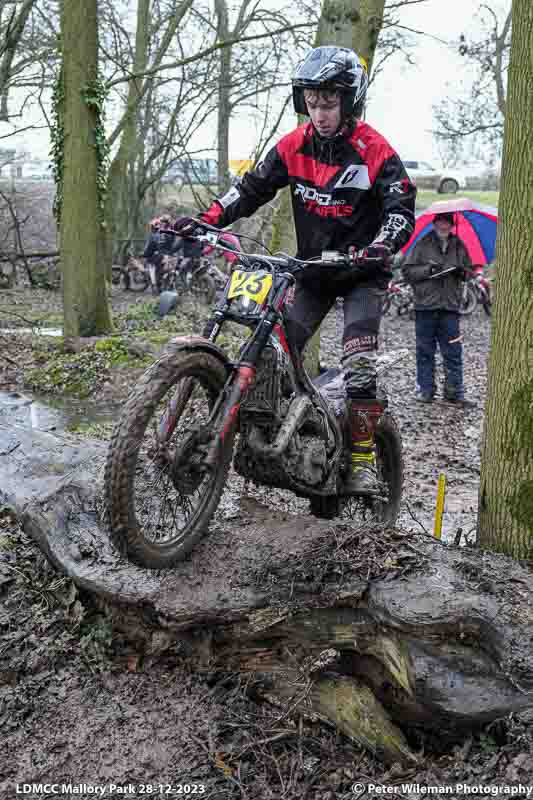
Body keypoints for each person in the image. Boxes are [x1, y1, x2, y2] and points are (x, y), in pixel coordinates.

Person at [173, 45, 416, 494]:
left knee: (359, 365)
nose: (319, 113)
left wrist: (380, 246)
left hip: (363, 272)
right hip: (312, 271)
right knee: (270, 352)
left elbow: (401, 211)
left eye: (329, 103)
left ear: (349, 102)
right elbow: (248, 189)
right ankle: (283, 432)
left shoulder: (375, 150)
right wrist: (204, 220)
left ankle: (362, 459)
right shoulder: (293, 146)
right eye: (311, 102)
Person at [402, 212, 473, 406]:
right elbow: (407, 271)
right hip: (425, 307)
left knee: (453, 351)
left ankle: (454, 393)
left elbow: (469, 273)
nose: (444, 226)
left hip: (450, 308)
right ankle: (426, 391)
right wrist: (428, 270)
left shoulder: (459, 245)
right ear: (434, 224)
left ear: (451, 225)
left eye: (447, 223)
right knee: (425, 351)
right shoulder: (422, 244)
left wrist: (462, 272)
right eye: (440, 222)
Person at [143, 214, 177, 294]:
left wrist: (145, 254)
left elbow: (151, 246)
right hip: (169, 255)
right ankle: (158, 285)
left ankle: (155, 286)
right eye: (161, 222)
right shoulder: (172, 232)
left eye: (162, 222)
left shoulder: (158, 234)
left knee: (151, 263)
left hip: (162, 255)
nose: (161, 224)